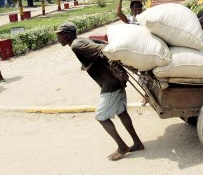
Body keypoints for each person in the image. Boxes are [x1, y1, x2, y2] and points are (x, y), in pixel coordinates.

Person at [56, 22, 144, 161]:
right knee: (121, 112)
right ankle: (137, 143)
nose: (58, 38)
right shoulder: (81, 41)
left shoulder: (76, 45)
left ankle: (122, 147)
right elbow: (100, 45)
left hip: (110, 84)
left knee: (101, 117)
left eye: (59, 35)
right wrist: (87, 63)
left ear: (67, 34)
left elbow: (104, 47)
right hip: (116, 81)